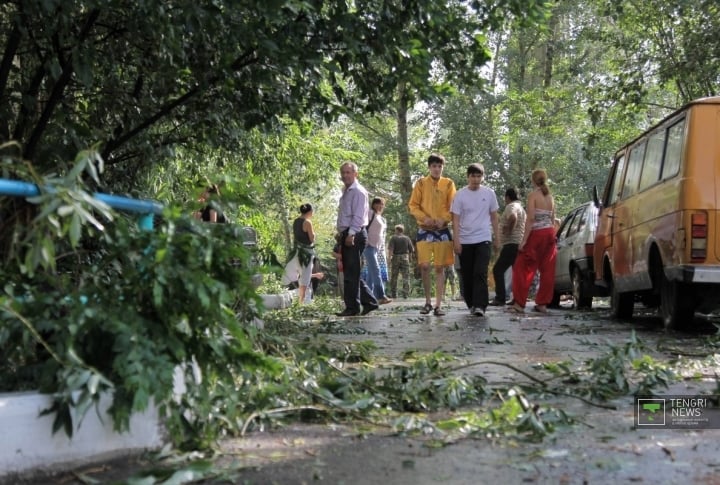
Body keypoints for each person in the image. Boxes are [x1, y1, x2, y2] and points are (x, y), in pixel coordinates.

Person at [408, 153, 457, 316]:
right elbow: (413, 206)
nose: (437, 169)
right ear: (429, 167)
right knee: (424, 265)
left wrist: (444, 220)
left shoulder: (449, 184)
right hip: (424, 230)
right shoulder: (421, 183)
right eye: (434, 166)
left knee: (439, 267)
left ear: (443, 167)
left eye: (439, 166)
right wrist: (424, 218)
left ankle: (438, 305)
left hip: (442, 231)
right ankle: (427, 302)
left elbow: (454, 207)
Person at [450, 163, 500, 317]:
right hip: (465, 240)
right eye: (473, 176)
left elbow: (494, 217)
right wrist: (456, 241)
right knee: (467, 274)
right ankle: (471, 303)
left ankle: (480, 305)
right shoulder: (460, 195)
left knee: (480, 271)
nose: (476, 179)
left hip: (483, 238)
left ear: (482, 177)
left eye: (479, 176)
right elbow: (455, 220)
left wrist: (497, 237)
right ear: (468, 177)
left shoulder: (489, 193)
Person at [509, 169, 557, 314]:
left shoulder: (533, 196)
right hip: (549, 234)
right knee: (547, 270)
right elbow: (553, 219)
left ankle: (519, 304)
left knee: (522, 267)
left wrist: (524, 240)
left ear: (533, 180)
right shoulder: (550, 197)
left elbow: (530, 219)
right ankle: (542, 304)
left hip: (536, 234)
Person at [335, 162, 379, 317]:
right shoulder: (346, 191)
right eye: (343, 172)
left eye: (348, 172)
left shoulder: (358, 192)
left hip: (355, 233)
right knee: (352, 272)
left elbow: (359, 216)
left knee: (351, 274)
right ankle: (370, 302)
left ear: (355, 174)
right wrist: (341, 232)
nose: (345, 175)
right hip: (347, 233)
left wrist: (351, 234)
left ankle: (352, 307)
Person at [489, 187, 526, 306]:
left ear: (507, 197)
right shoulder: (521, 207)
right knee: (516, 272)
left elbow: (513, 217)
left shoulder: (512, 206)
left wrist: (508, 230)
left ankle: (500, 298)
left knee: (497, 270)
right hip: (518, 244)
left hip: (511, 244)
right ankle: (517, 298)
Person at [283, 203, 316, 304]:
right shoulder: (307, 222)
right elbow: (311, 239)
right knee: (305, 276)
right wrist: (315, 235)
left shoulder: (296, 221)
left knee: (297, 274)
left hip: (296, 251)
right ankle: (301, 302)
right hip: (306, 253)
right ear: (310, 212)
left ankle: (298, 300)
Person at [364, 197, 392, 304]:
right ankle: (381, 296)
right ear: (374, 204)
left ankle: (368, 297)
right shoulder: (370, 213)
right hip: (368, 246)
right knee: (376, 270)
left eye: (382, 204)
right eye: (378, 204)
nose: (380, 206)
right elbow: (363, 227)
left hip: (376, 248)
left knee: (371, 273)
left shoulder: (380, 217)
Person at [387, 224, 414, 299]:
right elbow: (411, 250)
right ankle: (406, 294)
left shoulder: (393, 238)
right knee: (406, 276)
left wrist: (389, 259)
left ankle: (394, 294)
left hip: (396, 257)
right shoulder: (407, 238)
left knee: (394, 276)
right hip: (405, 257)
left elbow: (391, 249)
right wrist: (410, 258)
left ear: (397, 230)